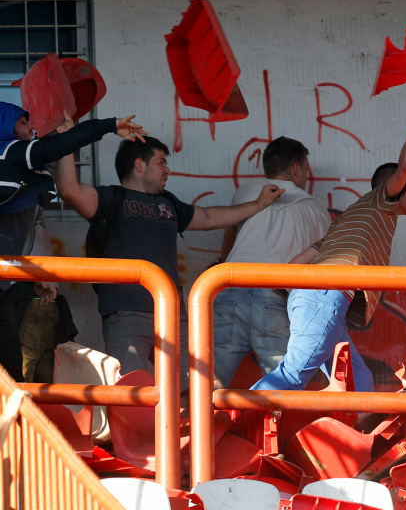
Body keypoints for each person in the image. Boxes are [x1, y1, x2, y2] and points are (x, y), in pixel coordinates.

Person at [54, 136, 283, 386]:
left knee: (197, 387)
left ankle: (191, 427)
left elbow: (208, 217)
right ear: (140, 165)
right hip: (125, 311)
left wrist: (260, 204)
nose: (168, 171)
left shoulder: (168, 202)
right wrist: (67, 138)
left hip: (171, 312)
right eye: (161, 162)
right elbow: (69, 190)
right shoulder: (110, 199)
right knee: (132, 391)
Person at [252, 84, 406, 393]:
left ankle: (364, 429)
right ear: (391, 187)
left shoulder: (346, 225)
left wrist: (299, 301)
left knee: (360, 382)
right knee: (291, 377)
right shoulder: (379, 200)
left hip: (310, 297)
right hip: (324, 297)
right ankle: (227, 422)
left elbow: (296, 264)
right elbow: (404, 165)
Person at [0, 103, 144, 379]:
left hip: (6, 284)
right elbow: (54, 147)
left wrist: (29, 274)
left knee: (11, 376)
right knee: (10, 378)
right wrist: (109, 125)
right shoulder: (9, 153)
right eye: (22, 122)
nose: (31, 128)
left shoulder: (15, 167)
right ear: (4, 127)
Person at [212, 137, 331, 387]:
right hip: (275, 298)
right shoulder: (317, 209)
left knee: (206, 382)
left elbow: (230, 234)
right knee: (283, 389)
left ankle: (189, 426)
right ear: (297, 168)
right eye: (306, 169)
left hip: (229, 289)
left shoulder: (246, 192)